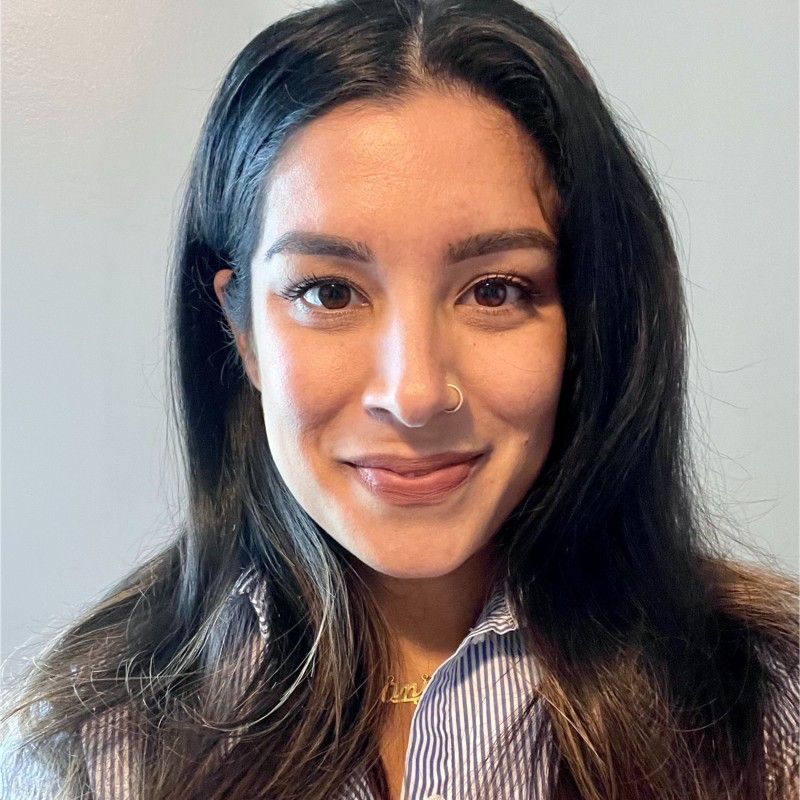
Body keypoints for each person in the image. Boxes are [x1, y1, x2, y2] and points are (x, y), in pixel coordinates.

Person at [1, 0, 797, 798]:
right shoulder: (88, 751)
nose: (413, 395)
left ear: (589, 320)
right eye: (328, 292)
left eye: (495, 289)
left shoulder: (774, 716)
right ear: (241, 331)